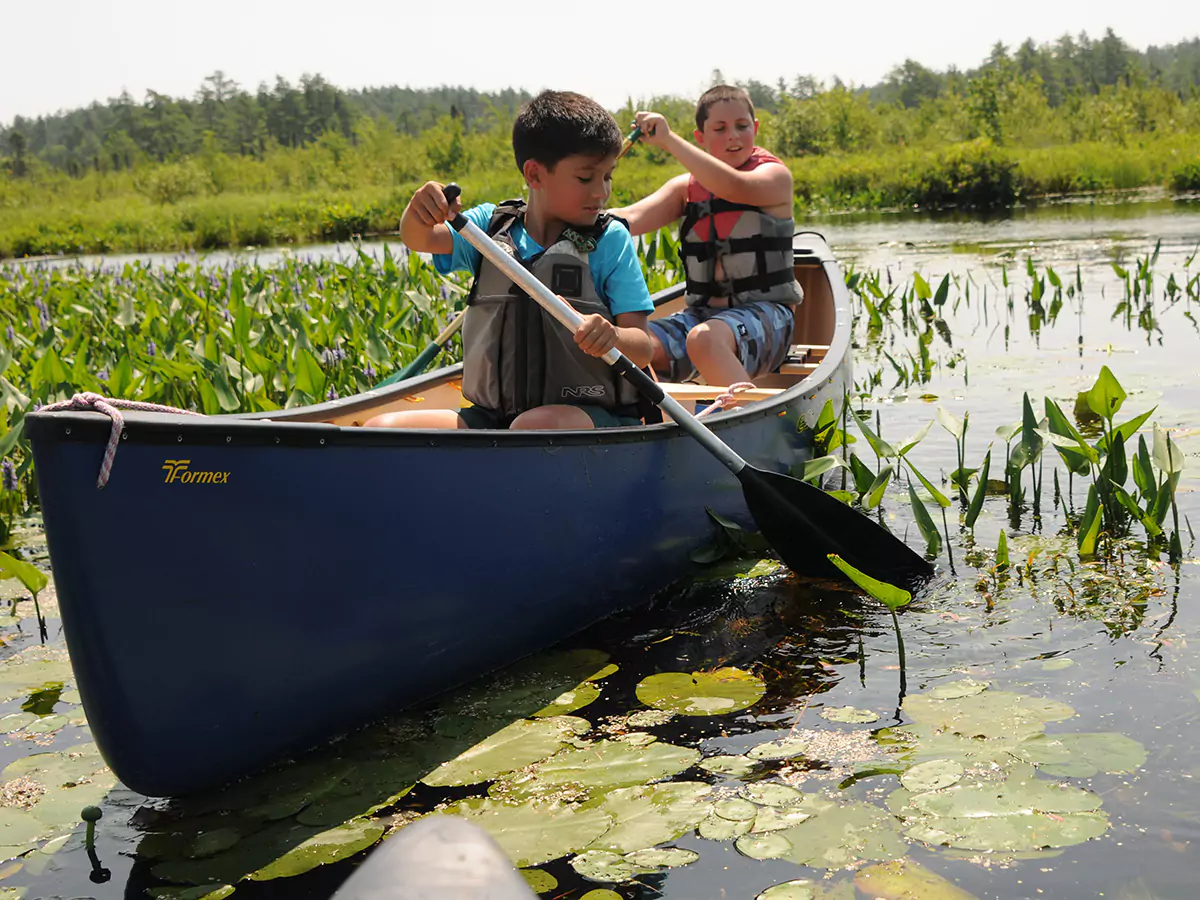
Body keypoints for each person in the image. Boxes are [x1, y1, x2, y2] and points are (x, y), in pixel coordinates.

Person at [365, 91, 654, 431]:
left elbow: (643, 347)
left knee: (534, 426)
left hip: (589, 416)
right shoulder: (488, 227)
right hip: (493, 418)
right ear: (534, 175)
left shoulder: (609, 241)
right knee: (381, 428)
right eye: (585, 178)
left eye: (608, 176)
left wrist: (612, 337)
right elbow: (421, 238)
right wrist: (419, 210)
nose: (601, 192)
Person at [609, 85, 803, 386]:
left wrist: (669, 140)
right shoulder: (684, 189)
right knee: (636, 349)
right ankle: (666, 424)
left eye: (742, 126)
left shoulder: (774, 177)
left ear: (756, 128)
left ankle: (740, 419)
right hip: (701, 315)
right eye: (720, 128)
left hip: (771, 319)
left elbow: (734, 187)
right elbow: (629, 219)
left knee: (705, 340)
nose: (733, 136)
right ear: (701, 137)